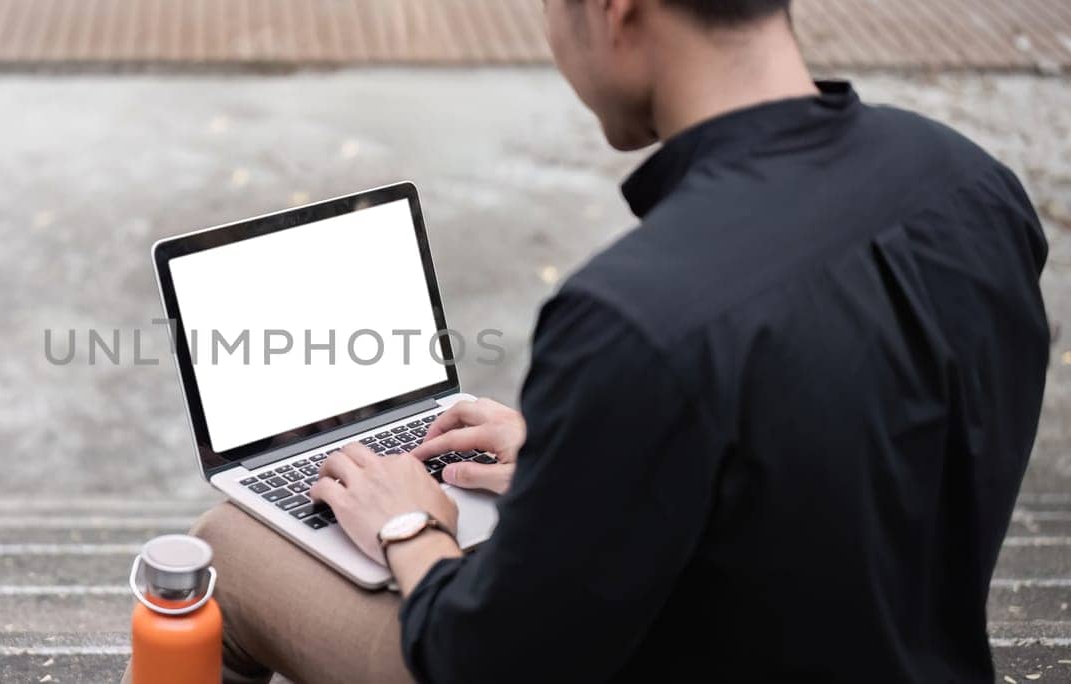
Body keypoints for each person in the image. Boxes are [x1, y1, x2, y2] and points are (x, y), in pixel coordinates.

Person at [160, 0, 1050, 681]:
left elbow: (484, 661)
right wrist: (583, 456)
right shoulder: (970, 187)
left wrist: (407, 524)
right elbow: (834, 445)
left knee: (226, 543)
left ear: (617, 9)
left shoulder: (638, 312)